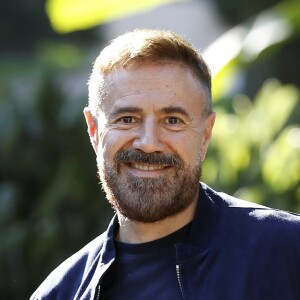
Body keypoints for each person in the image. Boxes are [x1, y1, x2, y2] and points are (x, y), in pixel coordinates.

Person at [31, 29, 300, 300]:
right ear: (93, 131)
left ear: (205, 135)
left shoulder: (287, 251)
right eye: (127, 119)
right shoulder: (61, 293)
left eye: (172, 120)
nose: (149, 143)